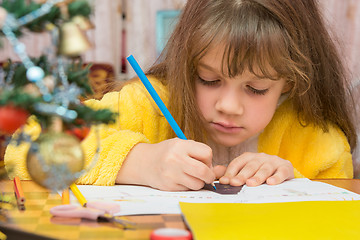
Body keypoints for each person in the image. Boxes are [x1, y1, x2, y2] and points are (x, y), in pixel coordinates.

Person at [5, 0, 357, 191]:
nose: (228, 106)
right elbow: (26, 146)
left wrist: (295, 184)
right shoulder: (149, 104)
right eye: (207, 79)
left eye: (256, 89)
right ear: (186, 66)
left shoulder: (317, 142)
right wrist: (136, 162)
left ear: (289, 85)